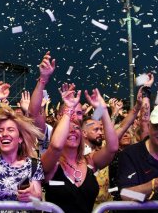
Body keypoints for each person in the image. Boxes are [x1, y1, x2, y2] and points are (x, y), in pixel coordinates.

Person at [42, 85, 118, 213]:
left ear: (82, 134)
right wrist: (69, 110)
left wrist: (103, 110)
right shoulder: (50, 163)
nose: (73, 131)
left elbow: (112, 148)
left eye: (77, 128)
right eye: (68, 129)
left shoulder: (90, 161)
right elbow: (55, 146)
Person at [117, 104, 158, 203]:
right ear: (149, 126)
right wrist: (156, 184)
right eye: (157, 126)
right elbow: (126, 195)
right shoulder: (131, 154)